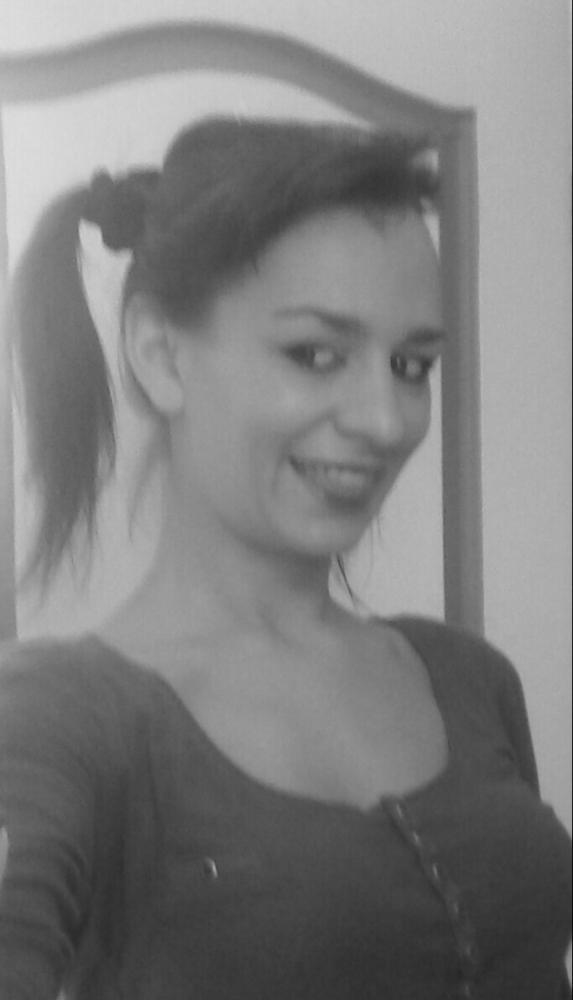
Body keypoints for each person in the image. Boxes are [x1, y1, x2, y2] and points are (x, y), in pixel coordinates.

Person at [0, 116, 570, 1000]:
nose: (384, 420)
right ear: (160, 355)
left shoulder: (469, 679)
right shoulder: (55, 722)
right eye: (315, 354)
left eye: (411, 365)